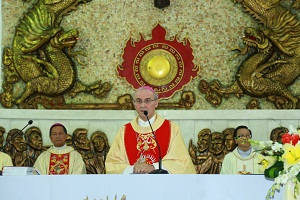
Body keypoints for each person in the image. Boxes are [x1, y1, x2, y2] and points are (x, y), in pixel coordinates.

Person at [105, 86, 196, 174]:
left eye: (147, 100)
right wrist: (133, 168)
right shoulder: (124, 131)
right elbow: (112, 163)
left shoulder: (171, 128)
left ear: (156, 103)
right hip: (132, 186)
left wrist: (154, 167)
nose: (142, 105)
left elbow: (181, 161)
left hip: (163, 185)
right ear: (134, 104)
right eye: (138, 101)